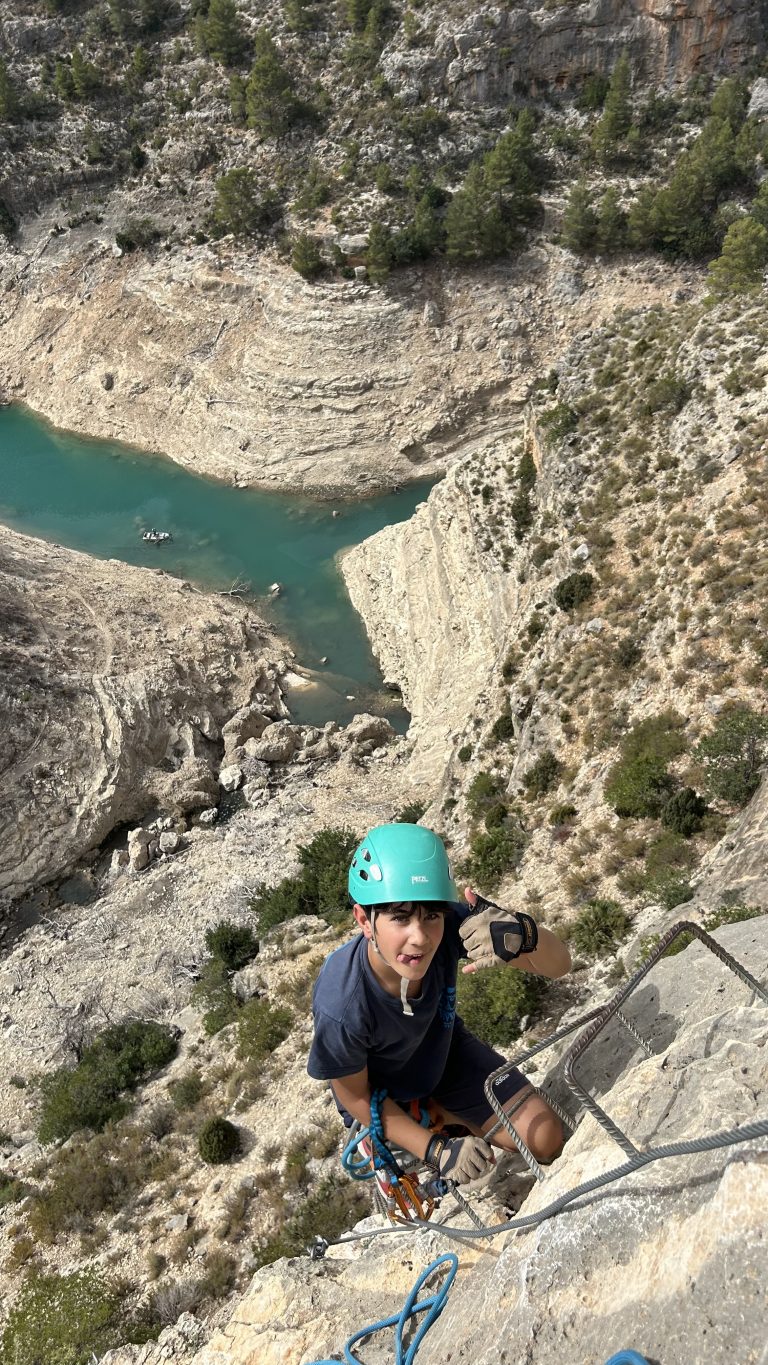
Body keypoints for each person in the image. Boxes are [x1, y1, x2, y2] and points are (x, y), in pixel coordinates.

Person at [307, 823, 572, 1188]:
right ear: (364, 920)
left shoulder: (451, 926)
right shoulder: (343, 1002)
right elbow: (353, 1095)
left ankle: (442, 1112)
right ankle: (414, 1129)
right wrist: (437, 1151)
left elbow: (560, 965)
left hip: (444, 1056)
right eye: (399, 917)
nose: (420, 937)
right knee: (454, 1168)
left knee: (545, 1139)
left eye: (431, 915)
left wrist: (522, 934)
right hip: (382, 1093)